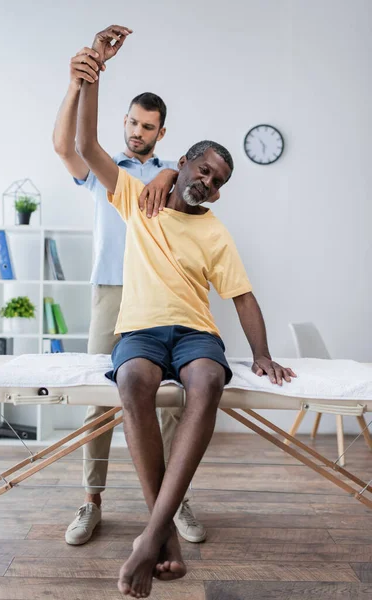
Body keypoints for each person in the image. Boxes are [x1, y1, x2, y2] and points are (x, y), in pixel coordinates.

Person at [76, 26, 296, 598]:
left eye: (218, 181)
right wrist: (93, 74)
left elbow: (242, 296)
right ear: (183, 161)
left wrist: (265, 354)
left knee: (207, 379)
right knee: (133, 382)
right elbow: (86, 148)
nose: (208, 182)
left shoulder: (216, 232)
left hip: (195, 331)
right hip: (140, 331)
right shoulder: (136, 196)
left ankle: (150, 539)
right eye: (202, 170)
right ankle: (162, 533)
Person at [52, 25, 207, 546]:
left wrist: (166, 173)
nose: (138, 132)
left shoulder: (171, 172)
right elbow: (66, 144)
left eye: (149, 127)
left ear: (163, 134)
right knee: (100, 399)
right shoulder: (104, 169)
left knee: (169, 399)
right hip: (111, 292)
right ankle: (91, 500)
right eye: (133, 123)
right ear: (124, 122)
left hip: (161, 298)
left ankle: (171, 501)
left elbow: (196, 174)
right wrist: (83, 78)